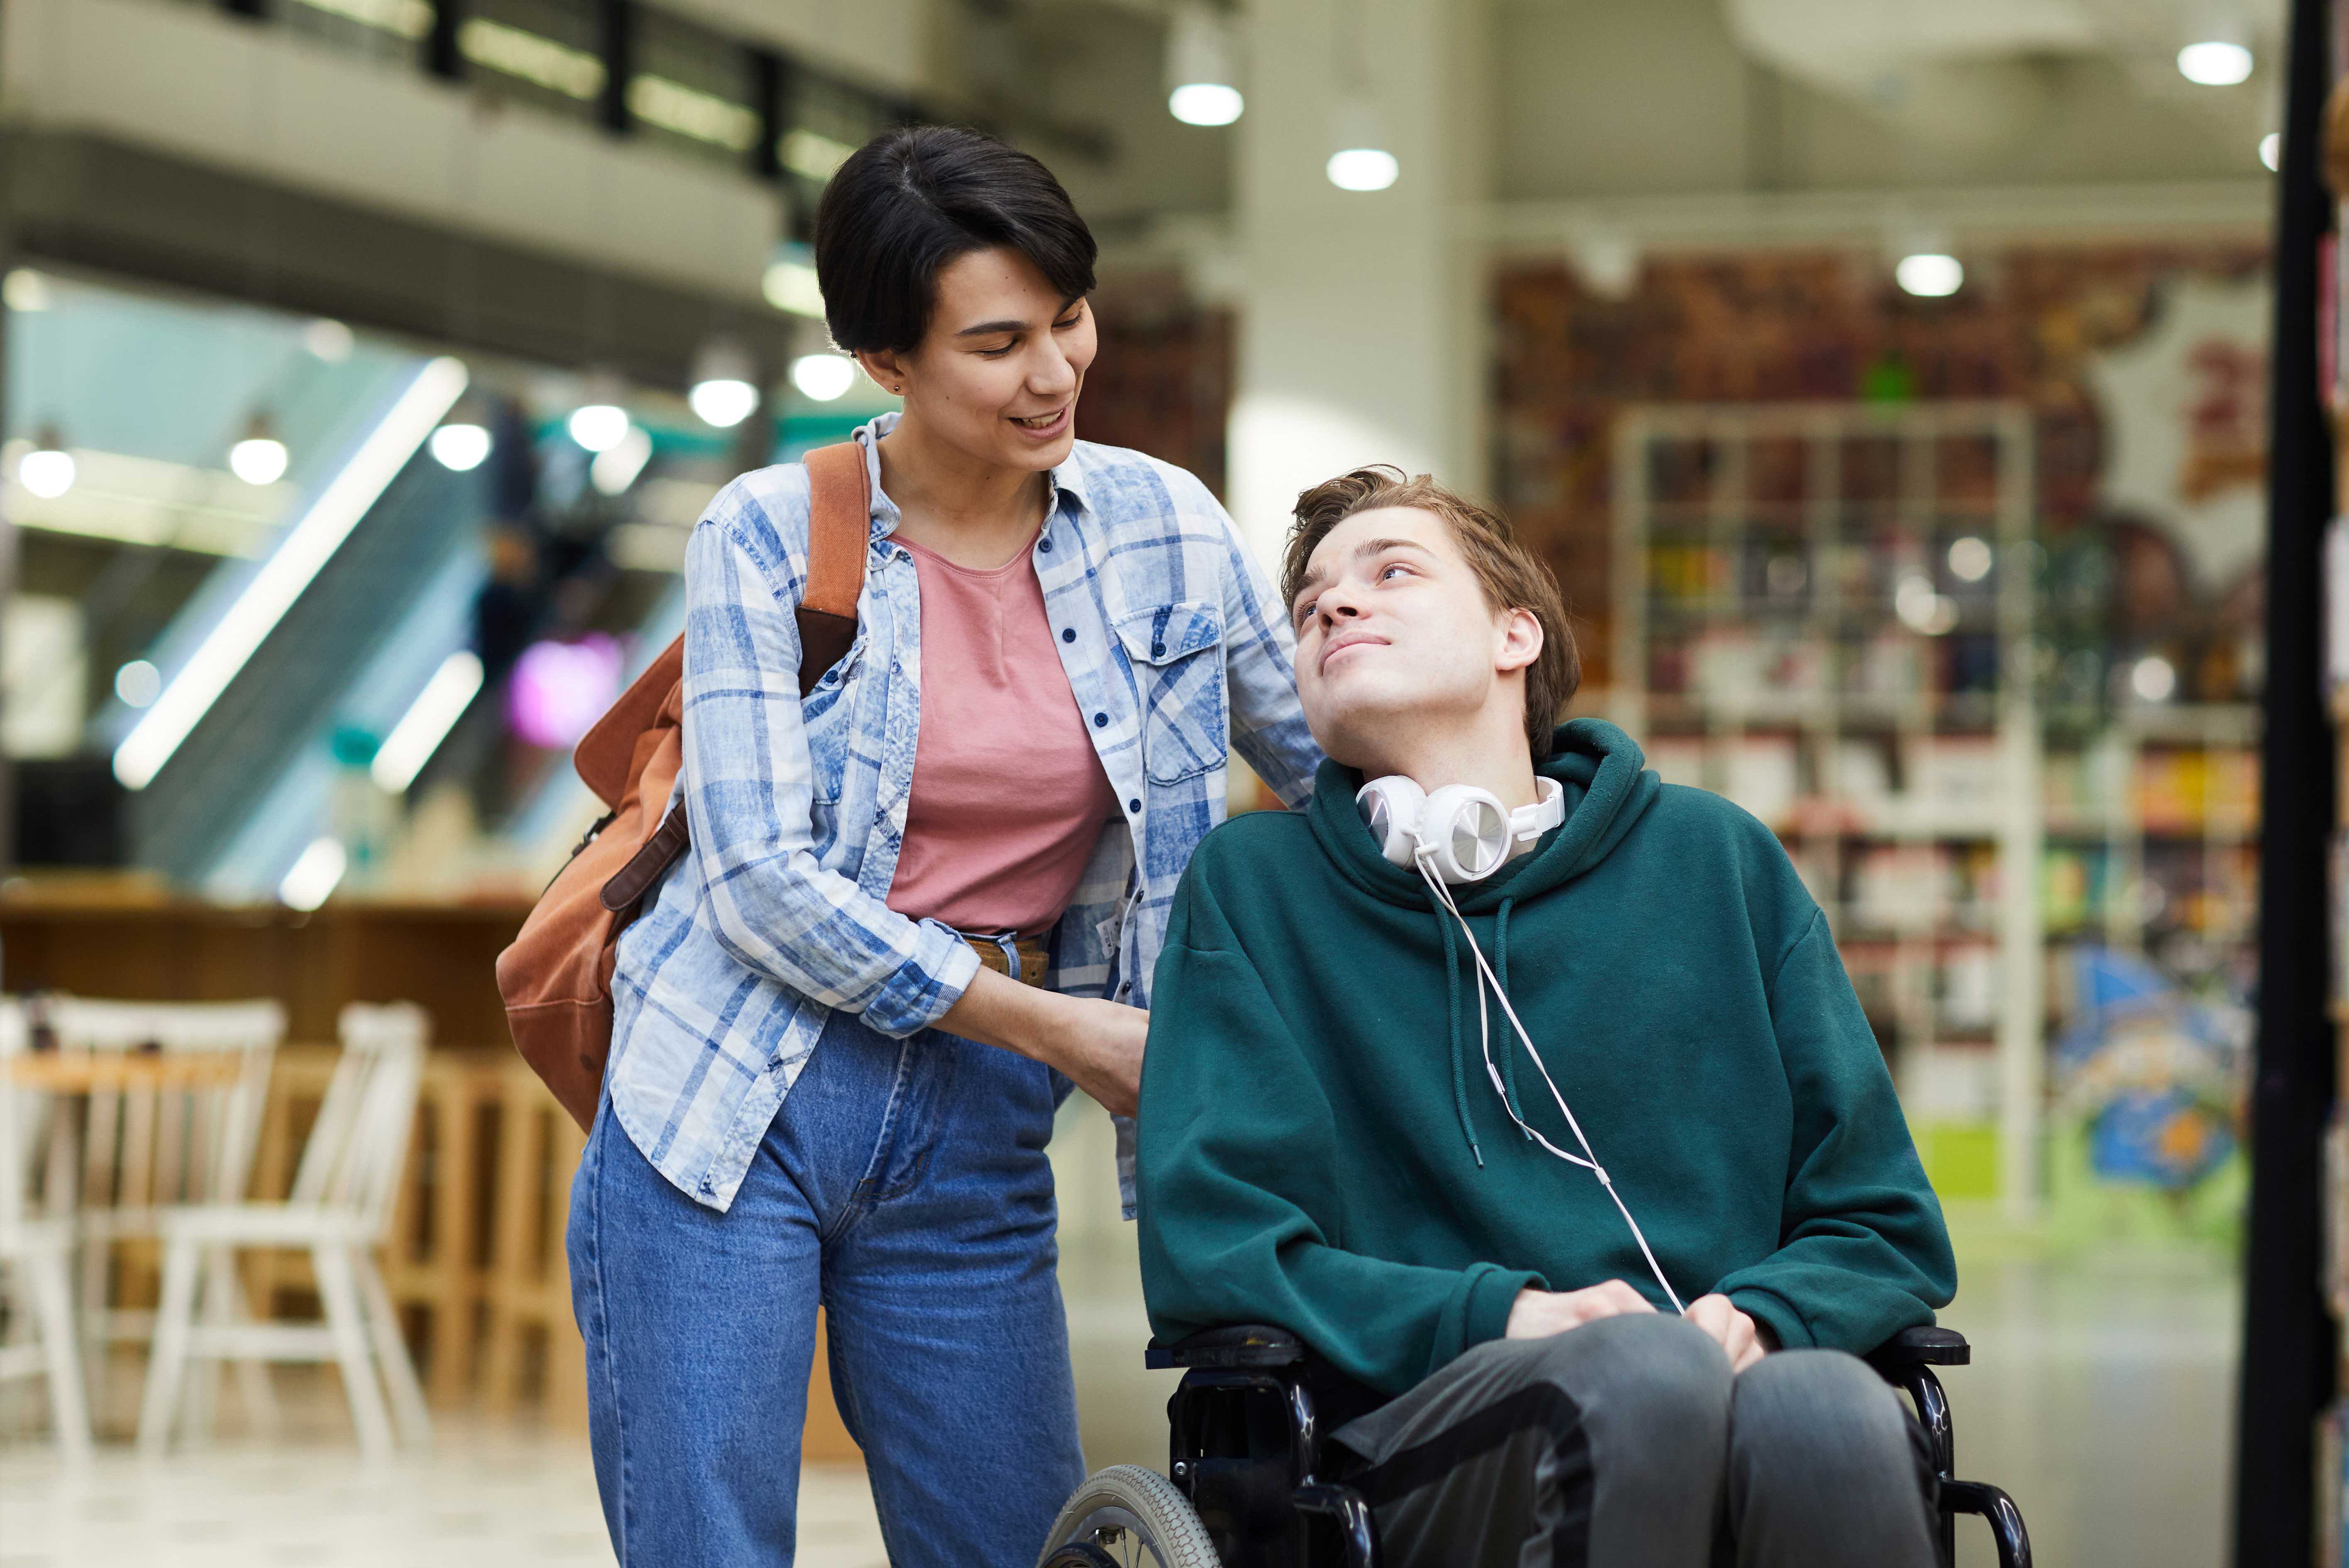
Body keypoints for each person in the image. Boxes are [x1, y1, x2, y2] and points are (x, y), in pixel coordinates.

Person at [567, 125, 1320, 1568]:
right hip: (735, 1095)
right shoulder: (768, 536)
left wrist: (1506, 779)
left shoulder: (1164, 527)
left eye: (1069, 320)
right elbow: (760, 885)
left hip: (978, 1117)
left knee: (1011, 1539)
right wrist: (1067, 1032)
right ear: (886, 362)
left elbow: (1317, 763)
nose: (1056, 373)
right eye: (997, 342)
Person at [1135, 467, 1954, 1566]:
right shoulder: (1254, 888)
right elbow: (1215, 1249)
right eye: (1309, 603)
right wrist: (1505, 1316)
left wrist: (1760, 1313)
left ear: (1514, 635)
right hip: (1407, 1445)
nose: (1334, 604)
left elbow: (1883, 1221)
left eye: (1391, 571)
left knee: (1834, 1409)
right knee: (1644, 1371)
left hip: (1721, 1382)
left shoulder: (1717, 861)